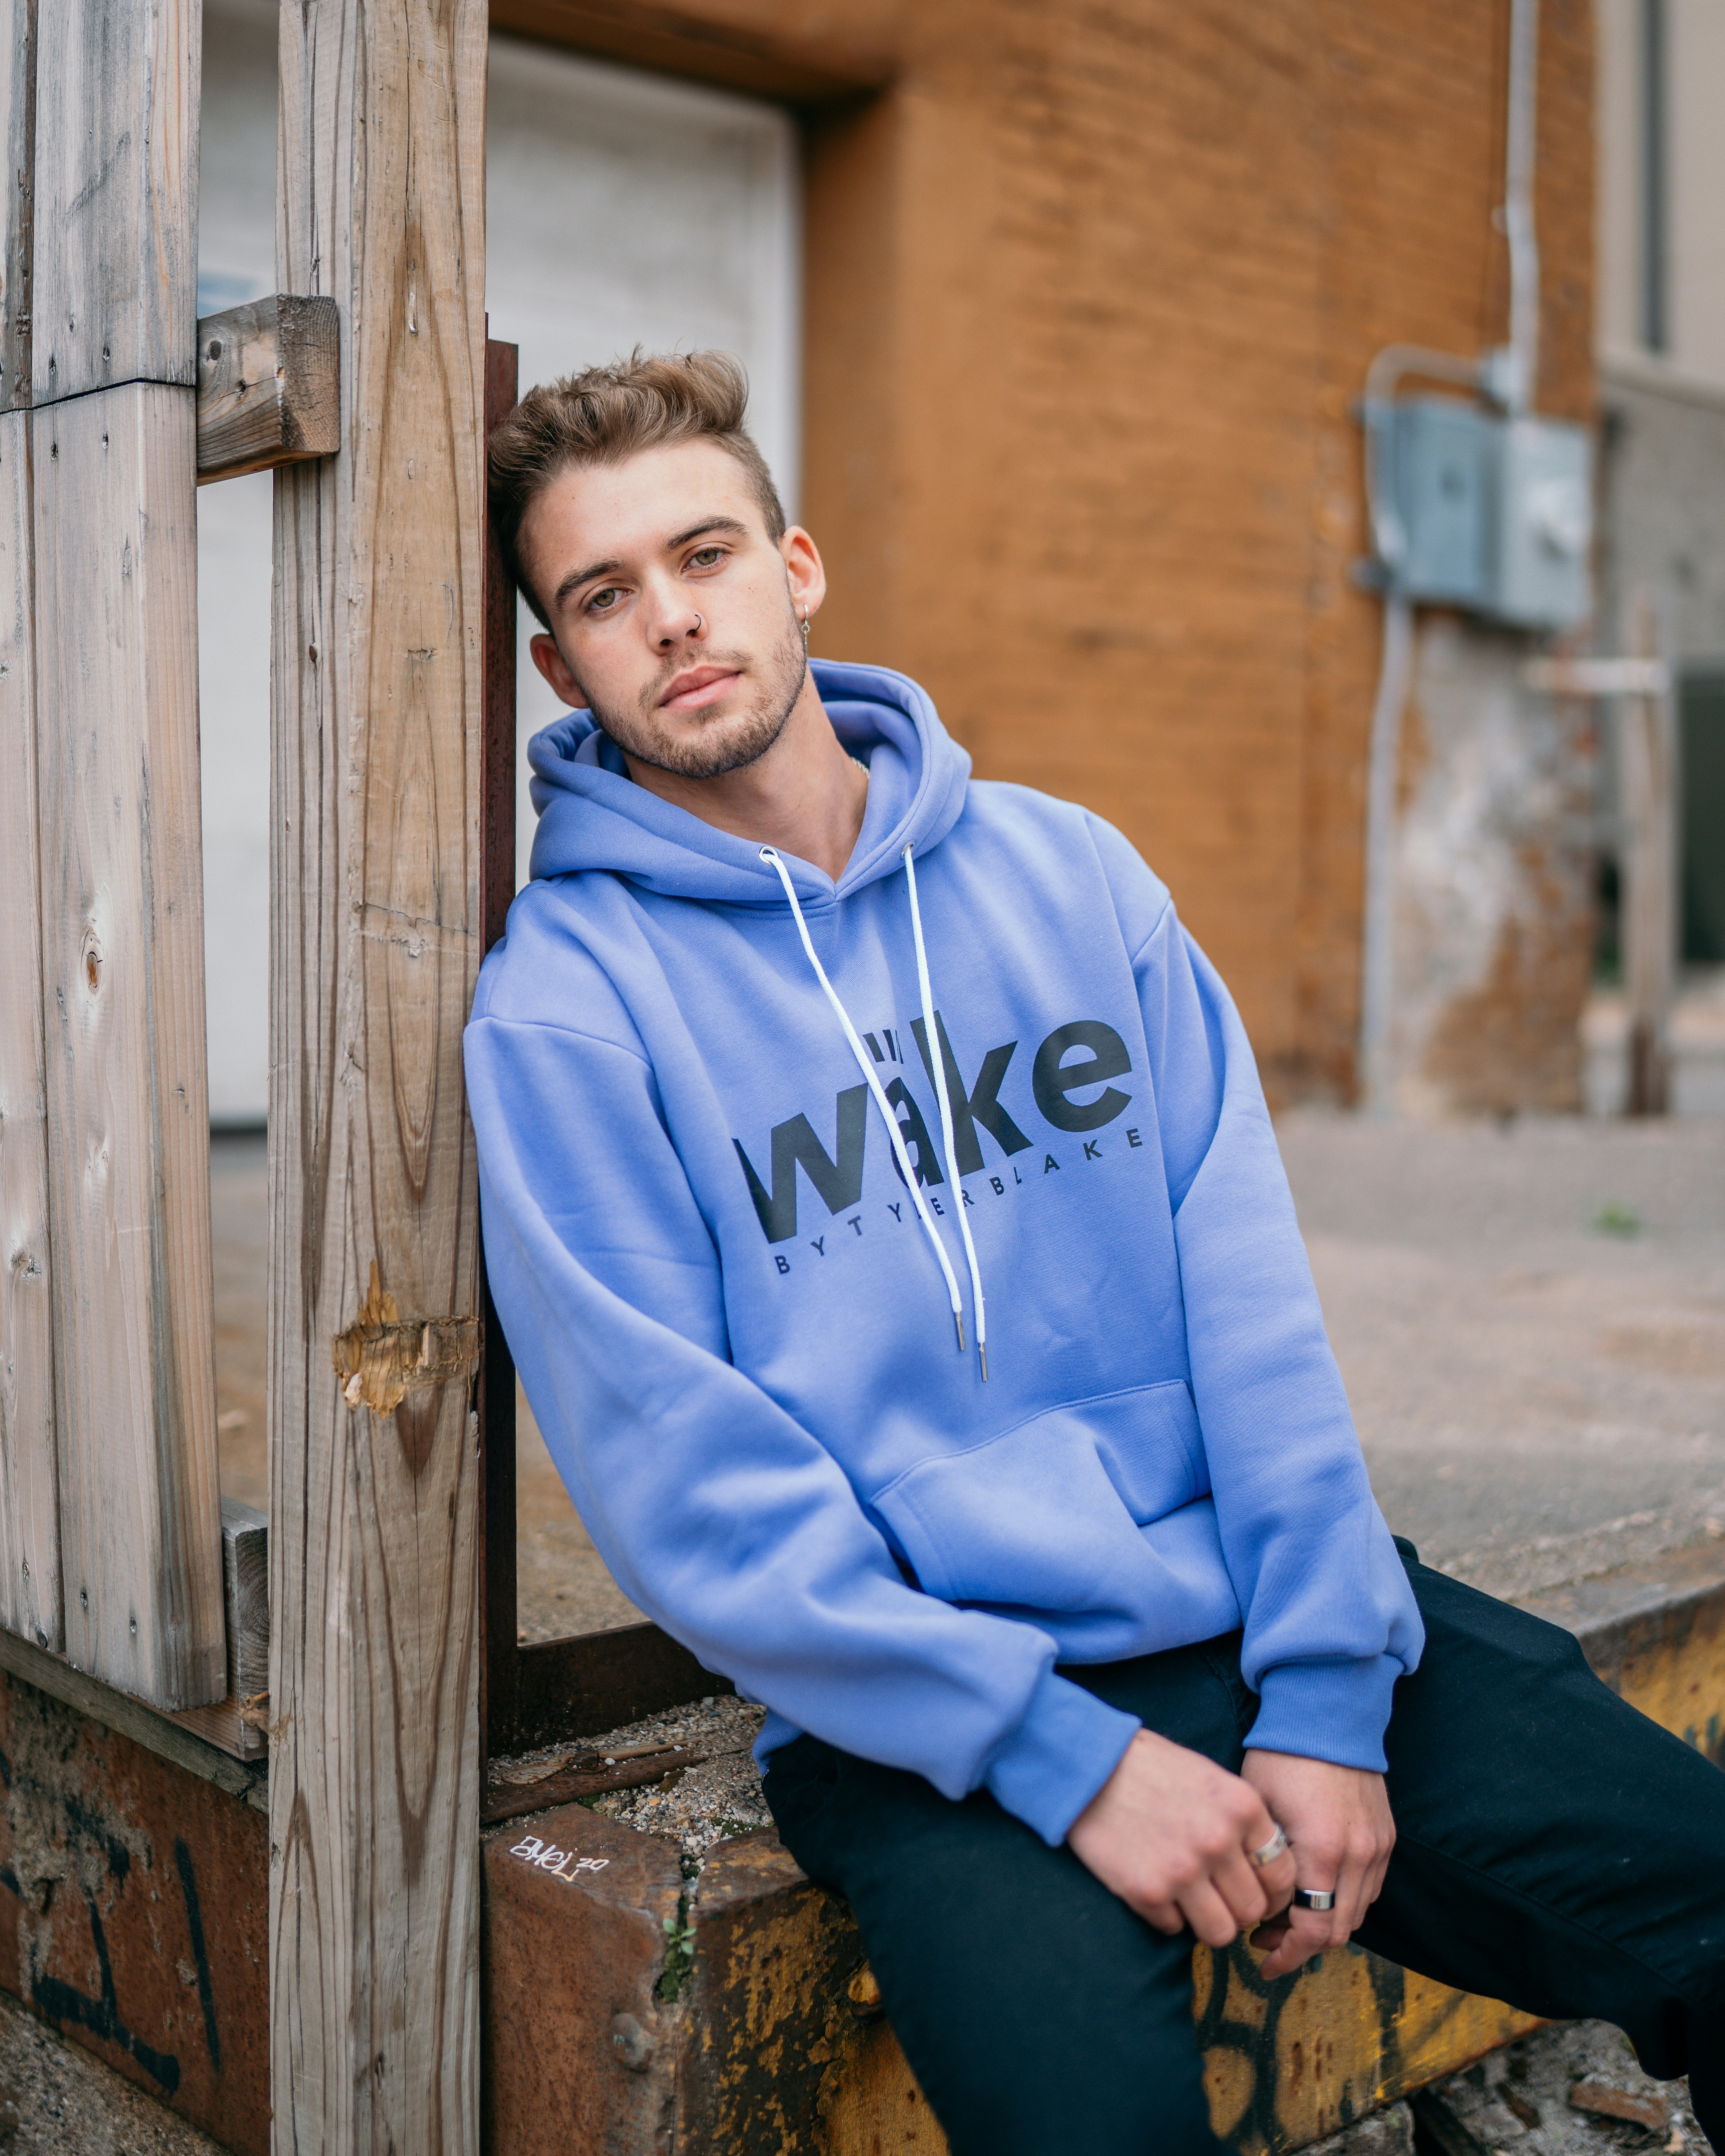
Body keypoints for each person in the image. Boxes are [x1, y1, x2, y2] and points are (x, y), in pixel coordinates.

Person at [465, 350, 1725, 2154]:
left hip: (1258, 1600)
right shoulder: (570, 1018)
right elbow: (695, 1493)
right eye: (604, 596)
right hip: (929, 1724)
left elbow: (1254, 1319)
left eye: (704, 555)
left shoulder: (1074, 881)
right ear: (557, 666)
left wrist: (1325, 1696)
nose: (669, 619)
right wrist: (1076, 1763)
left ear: (796, 564)